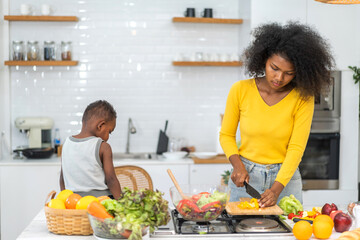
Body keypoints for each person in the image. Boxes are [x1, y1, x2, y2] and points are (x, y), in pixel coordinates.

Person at [220, 22, 335, 208]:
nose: (279, 78)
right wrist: (238, 166)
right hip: (247, 177)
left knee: (291, 234)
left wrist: (276, 189)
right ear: (263, 59)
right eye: (274, 68)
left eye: (289, 73)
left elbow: (296, 148)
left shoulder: (303, 98)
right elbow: (226, 135)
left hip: (285, 179)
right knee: (240, 235)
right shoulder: (240, 90)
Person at [60, 100, 122, 199]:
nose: (108, 137)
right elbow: (111, 180)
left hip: (75, 202)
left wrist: (65, 201)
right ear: (100, 126)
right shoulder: (103, 147)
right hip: (100, 201)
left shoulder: (66, 144)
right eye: (109, 132)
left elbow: (62, 179)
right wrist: (123, 204)